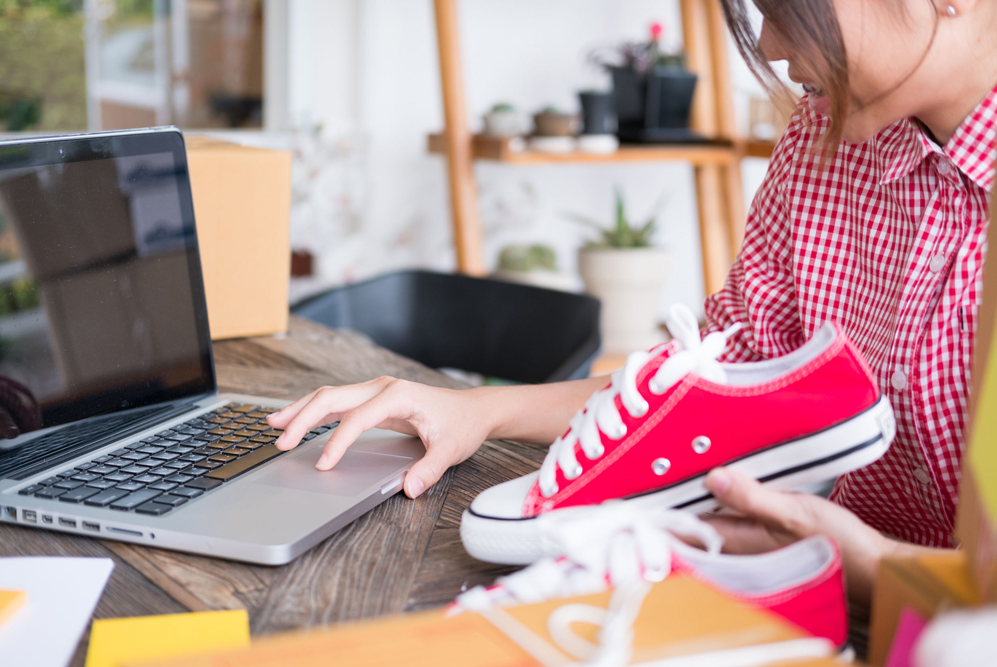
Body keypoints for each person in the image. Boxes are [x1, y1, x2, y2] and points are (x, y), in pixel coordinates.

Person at [267, 0, 997, 604]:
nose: (772, 45)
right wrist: (476, 410)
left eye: (787, 8)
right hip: (816, 596)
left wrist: (869, 563)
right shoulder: (824, 142)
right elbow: (716, 379)